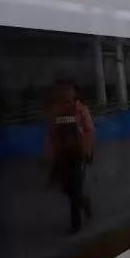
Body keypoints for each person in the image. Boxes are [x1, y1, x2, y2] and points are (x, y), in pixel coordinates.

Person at [46, 80, 95, 233]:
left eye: (69, 89)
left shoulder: (80, 109)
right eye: (63, 89)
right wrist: (53, 155)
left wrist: (87, 151)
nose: (66, 92)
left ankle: (76, 224)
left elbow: (89, 130)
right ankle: (84, 202)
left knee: (75, 188)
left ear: (74, 92)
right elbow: (52, 135)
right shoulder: (55, 110)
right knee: (66, 189)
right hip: (63, 155)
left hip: (78, 154)